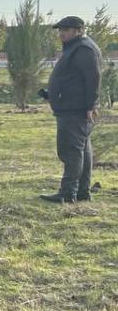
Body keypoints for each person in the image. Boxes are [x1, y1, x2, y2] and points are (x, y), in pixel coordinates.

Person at [38, 16, 102, 203]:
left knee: (71, 150)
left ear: (79, 31)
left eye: (65, 30)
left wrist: (91, 105)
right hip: (72, 106)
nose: (61, 34)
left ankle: (67, 193)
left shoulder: (83, 49)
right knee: (82, 150)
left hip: (75, 109)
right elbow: (72, 78)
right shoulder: (75, 47)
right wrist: (53, 94)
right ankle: (82, 192)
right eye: (60, 30)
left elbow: (93, 78)